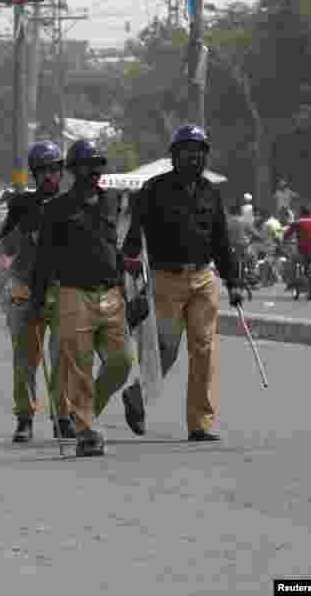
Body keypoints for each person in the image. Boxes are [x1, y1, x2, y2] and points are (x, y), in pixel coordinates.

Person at [121, 126, 243, 442]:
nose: (195, 155)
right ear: (174, 155)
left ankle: (200, 423)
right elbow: (136, 234)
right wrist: (130, 262)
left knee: (204, 348)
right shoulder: (153, 189)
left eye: (200, 150)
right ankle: (137, 395)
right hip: (166, 279)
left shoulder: (211, 193)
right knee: (167, 348)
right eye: (188, 149)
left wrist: (234, 281)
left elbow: (221, 241)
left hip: (203, 278)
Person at [30, 140, 134, 458]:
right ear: (74, 170)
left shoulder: (112, 202)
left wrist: (127, 281)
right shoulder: (56, 209)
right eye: (86, 165)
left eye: (97, 165)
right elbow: (44, 258)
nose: (93, 171)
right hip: (73, 293)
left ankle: (82, 414)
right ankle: (87, 430)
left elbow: (114, 246)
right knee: (81, 366)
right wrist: (37, 298)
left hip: (111, 292)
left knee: (121, 363)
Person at [0, 141, 73, 443]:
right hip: (24, 285)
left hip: (61, 285)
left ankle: (62, 416)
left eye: (54, 169)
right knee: (26, 356)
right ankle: (24, 417)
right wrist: (24, 227)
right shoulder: (20, 204)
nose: (49, 176)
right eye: (42, 171)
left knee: (64, 354)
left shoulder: (70, 203)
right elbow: (5, 250)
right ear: (34, 174)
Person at [284, 206, 311, 301]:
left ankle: (292, 281)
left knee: (291, 259)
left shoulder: (297, 222)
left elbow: (286, 235)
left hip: (303, 253)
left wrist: (284, 241)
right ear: (310, 214)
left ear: (301, 214)